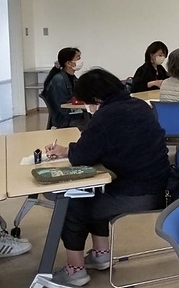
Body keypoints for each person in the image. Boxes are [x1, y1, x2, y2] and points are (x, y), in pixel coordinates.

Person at [44, 69, 170, 286]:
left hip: (139, 193)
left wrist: (71, 151)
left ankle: (75, 271)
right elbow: (103, 145)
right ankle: (101, 255)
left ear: (96, 98)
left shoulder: (106, 116)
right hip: (159, 184)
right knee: (96, 192)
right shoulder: (138, 105)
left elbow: (83, 156)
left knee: (73, 205)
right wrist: (70, 149)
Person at [42, 47, 85, 129]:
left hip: (71, 116)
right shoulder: (59, 80)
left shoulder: (73, 78)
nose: (80, 60)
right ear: (68, 63)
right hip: (65, 120)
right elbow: (64, 106)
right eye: (78, 58)